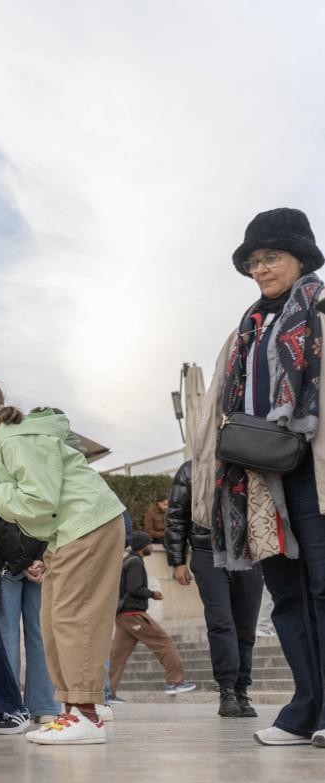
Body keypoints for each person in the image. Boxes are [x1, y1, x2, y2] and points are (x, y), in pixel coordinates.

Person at [194, 208, 325, 747]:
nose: (261, 270)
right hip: (257, 479)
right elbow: (212, 415)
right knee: (287, 595)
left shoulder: (319, 311)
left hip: (314, 471)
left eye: (271, 257)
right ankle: (305, 710)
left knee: (322, 588)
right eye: (254, 261)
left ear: (300, 257)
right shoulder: (246, 327)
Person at [0, 374, 126, 746]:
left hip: (87, 524)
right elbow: (33, 504)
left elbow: (40, 500)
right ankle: (72, 713)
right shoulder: (4, 444)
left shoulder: (15, 441)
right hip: (71, 530)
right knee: (53, 621)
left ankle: (87, 716)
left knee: (72, 619)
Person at [165, 461, 261, 718]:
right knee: (221, 623)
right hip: (207, 552)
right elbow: (176, 517)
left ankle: (241, 690)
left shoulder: (252, 464)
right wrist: (176, 560)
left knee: (246, 626)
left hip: (249, 552)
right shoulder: (189, 470)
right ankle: (227, 690)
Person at [0, 515, 60, 723]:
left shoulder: (0, 484)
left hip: (5, 562)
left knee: (7, 638)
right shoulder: (47, 487)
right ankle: (45, 705)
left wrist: (25, 561)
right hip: (32, 562)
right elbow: (54, 520)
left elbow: (1, 521)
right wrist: (42, 557)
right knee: (40, 635)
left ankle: (9, 705)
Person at [108, 531, 196, 698]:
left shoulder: (129, 560)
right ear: (143, 546)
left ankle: (105, 692)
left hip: (123, 615)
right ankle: (175, 683)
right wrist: (152, 594)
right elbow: (135, 588)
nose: (151, 546)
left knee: (116, 656)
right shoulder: (135, 562)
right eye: (149, 543)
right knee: (164, 643)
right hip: (133, 614)